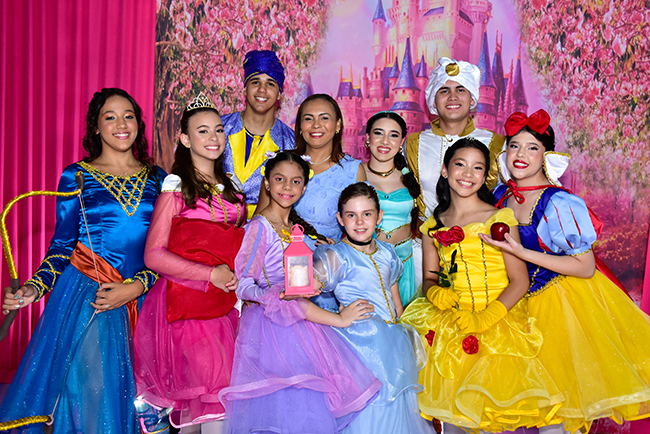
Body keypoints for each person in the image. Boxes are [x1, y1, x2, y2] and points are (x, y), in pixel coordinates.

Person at [0, 88, 164, 433]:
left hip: (147, 300)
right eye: (110, 117)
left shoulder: (158, 179)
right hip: (93, 298)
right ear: (96, 127)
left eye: (129, 116)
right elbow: (62, 246)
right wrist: (34, 288)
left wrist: (136, 287)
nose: (121, 124)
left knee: (146, 410)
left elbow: (168, 249)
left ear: (138, 124)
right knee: (96, 401)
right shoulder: (77, 176)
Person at [489, 110, 650, 433]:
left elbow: (585, 267)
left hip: (554, 305)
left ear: (546, 155)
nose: (521, 154)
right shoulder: (499, 195)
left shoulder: (558, 201)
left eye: (532, 148)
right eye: (514, 146)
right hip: (508, 304)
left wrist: (523, 252)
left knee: (556, 410)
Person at [400, 138, 563, 433]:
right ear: (445, 170)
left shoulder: (499, 218)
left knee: (493, 418)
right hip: (451, 325)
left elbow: (520, 280)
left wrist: (487, 317)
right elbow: (430, 277)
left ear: (486, 175)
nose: (468, 173)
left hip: (498, 323)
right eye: (460, 164)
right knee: (454, 419)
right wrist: (434, 292)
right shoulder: (432, 225)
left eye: (478, 167)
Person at [218, 152, 381, 434]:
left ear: (304, 187)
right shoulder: (259, 227)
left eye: (296, 181)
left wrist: (313, 280)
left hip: (302, 325)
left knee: (305, 408)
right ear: (267, 183)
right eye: (279, 179)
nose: (287, 187)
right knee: (282, 407)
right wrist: (273, 295)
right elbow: (242, 282)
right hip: (270, 329)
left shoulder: (297, 228)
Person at [133, 93, 247, 433]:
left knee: (200, 413)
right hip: (188, 309)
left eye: (218, 130)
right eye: (202, 131)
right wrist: (210, 273)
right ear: (185, 139)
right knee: (212, 406)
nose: (213, 138)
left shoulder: (232, 189)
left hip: (224, 307)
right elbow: (154, 254)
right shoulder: (177, 188)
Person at [311, 182, 434, 434]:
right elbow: (302, 293)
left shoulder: (388, 252)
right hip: (360, 346)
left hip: (394, 343)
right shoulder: (335, 256)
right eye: (351, 215)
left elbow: (394, 297)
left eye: (367, 214)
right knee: (370, 409)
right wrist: (341, 318)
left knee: (397, 407)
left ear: (379, 217)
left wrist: (403, 328)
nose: (359, 222)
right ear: (340, 219)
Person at [406, 57, 505, 289]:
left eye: (461, 89)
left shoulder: (496, 144)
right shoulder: (413, 143)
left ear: (472, 99)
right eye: (444, 90)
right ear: (433, 100)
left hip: (477, 250)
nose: (452, 97)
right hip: (423, 251)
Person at [256, 93, 366, 242]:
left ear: (338, 125)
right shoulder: (281, 163)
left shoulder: (352, 171)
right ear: (300, 126)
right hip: (276, 253)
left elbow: (363, 229)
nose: (316, 125)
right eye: (308, 118)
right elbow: (260, 222)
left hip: (325, 255)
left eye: (324, 118)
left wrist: (338, 248)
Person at [221, 50, 296, 220]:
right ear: (245, 88)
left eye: (270, 84)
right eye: (255, 82)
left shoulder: (291, 142)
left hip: (265, 228)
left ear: (279, 93)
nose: (262, 89)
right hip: (214, 222)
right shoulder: (219, 128)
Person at [362, 111, 420, 306]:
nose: (385, 141)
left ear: (402, 141)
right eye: (378, 133)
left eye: (393, 135)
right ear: (367, 138)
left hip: (405, 263)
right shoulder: (355, 173)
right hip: (367, 263)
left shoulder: (411, 176)